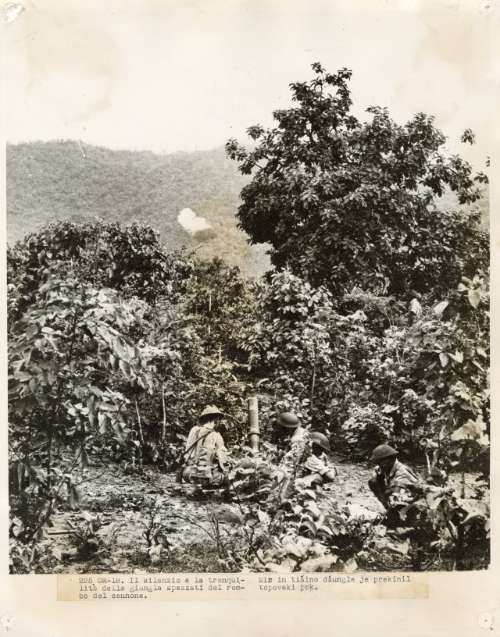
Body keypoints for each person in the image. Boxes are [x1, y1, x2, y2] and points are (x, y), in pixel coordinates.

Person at [368, 444, 423, 526]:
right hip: (401, 496)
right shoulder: (385, 467)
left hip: (416, 502)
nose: (379, 464)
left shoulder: (402, 471)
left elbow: (397, 489)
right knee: (373, 482)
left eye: (381, 461)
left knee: (390, 492)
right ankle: (393, 515)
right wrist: (379, 477)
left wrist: (392, 497)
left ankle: (409, 520)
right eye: (378, 462)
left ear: (391, 459)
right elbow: (375, 476)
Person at [181, 405, 228, 486]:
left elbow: (187, 454)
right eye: (217, 419)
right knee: (228, 477)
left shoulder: (194, 430)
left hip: (188, 474)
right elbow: (223, 460)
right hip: (206, 477)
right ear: (214, 419)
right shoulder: (216, 435)